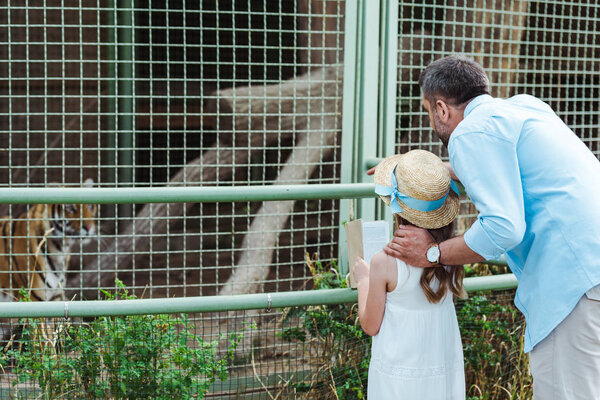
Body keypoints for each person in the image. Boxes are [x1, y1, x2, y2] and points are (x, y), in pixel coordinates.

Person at [377, 54, 600, 399]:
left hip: (573, 282)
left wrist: (433, 253)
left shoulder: (469, 133)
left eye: (427, 111)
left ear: (441, 108)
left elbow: (504, 228)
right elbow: (512, 166)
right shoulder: (526, 107)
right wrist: (446, 170)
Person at [354, 149, 466, 400]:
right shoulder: (452, 255)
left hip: (398, 380)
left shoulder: (384, 262)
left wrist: (363, 279)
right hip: (440, 371)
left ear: (397, 210)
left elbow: (371, 324)